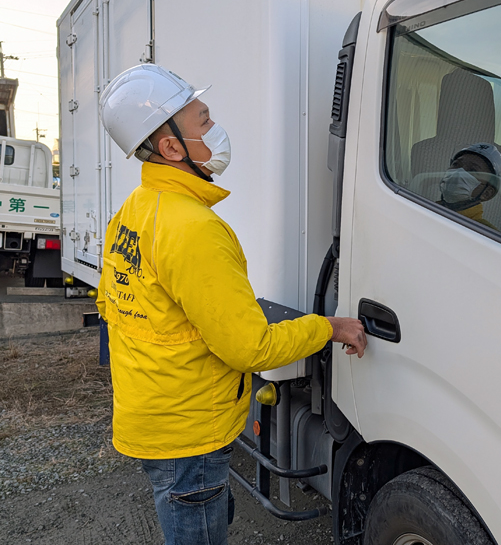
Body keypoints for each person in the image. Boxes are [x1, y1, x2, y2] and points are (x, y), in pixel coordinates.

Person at [95, 64, 367, 545]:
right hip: (188, 431)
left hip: (151, 415)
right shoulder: (194, 229)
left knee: (200, 512)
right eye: (204, 120)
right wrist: (329, 327)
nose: (216, 129)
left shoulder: (134, 210)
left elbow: (111, 303)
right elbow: (250, 349)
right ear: (172, 147)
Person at [438, 142, 501, 229]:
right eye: (456, 164)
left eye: (473, 170)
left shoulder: (484, 233)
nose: (458, 172)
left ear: (487, 193)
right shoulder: (424, 209)